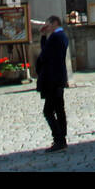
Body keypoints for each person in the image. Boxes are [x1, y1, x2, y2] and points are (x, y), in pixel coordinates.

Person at [35, 15, 69, 152]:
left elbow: (45, 55)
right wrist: (44, 36)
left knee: (48, 111)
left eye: (48, 24)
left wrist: (43, 36)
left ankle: (59, 138)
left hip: (52, 79)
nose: (46, 26)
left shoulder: (56, 37)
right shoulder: (60, 36)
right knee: (59, 109)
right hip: (58, 78)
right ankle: (62, 138)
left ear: (54, 23)